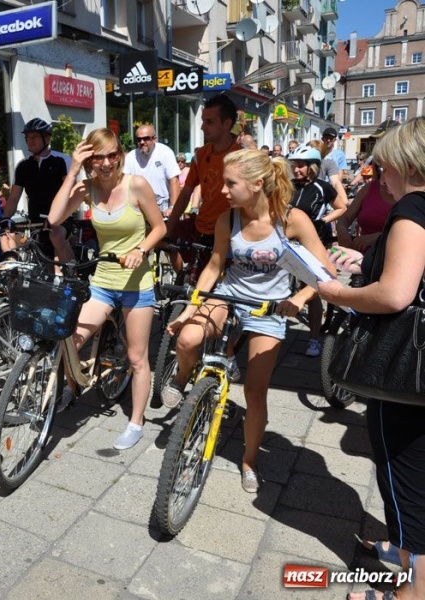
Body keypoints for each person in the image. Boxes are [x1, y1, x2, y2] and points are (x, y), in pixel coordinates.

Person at [163, 149, 334, 493]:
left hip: (269, 308)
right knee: (187, 340)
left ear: (257, 184)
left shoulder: (291, 219)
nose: (222, 191)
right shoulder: (229, 218)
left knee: (256, 393)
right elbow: (214, 266)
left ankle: (249, 461)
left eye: (230, 183)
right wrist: (190, 307)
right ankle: (181, 377)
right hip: (230, 295)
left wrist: (298, 299)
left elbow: (326, 271)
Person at [318, 116, 425, 600]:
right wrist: (368, 260)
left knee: (405, 478)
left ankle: (407, 589)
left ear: (406, 162)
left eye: (383, 165)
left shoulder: (411, 209)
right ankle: (402, 551)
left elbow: (396, 295)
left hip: (407, 374)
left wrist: (338, 292)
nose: (379, 176)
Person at [48, 128, 166, 449]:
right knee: (70, 340)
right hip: (103, 282)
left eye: (112, 155)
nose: (106, 163)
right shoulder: (87, 187)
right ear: (90, 159)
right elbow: (55, 217)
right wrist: (73, 169)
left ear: (120, 155)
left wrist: (140, 251)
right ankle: (70, 390)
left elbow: (160, 228)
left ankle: (136, 422)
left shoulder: (136, 185)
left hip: (136, 284)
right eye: (98, 157)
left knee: (137, 357)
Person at [167, 94, 241, 270]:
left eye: (209, 122)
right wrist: (169, 228)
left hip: (233, 233)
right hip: (202, 229)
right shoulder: (200, 155)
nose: (202, 127)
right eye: (203, 121)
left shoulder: (241, 157)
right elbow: (186, 193)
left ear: (226, 124)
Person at [287, 145, 347, 357]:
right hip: (289, 242)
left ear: (312, 167)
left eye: (301, 166)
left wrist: (324, 221)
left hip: (312, 243)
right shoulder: (289, 186)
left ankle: (314, 339)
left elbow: (342, 206)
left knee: (311, 289)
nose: (296, 170)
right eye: (294, 166)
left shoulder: (322, 187)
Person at [3, 118, 74, 264]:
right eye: (28, 137)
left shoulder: (62, 160)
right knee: (42, 258)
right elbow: (14, 197)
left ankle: (71, 274)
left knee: (56, 236)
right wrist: (6, 218)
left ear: (47, 138)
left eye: (35, 137)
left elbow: (72, 193)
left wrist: (59, 217)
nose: (30, 140)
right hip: (36, 220)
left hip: (61, 218)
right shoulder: (23, 166)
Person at [123, 124, 181, 217]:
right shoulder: (130, 157)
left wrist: (172, 207)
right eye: (138, 139)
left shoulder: (165, 152)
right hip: (139, 211)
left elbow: (174, 180)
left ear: (154, 139)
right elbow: (124, 183)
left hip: (164, 210)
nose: (142, 142)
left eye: (146, 138)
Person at [336, 164, 393, 253]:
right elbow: (345, 218)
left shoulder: (415, 196)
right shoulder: (370, 188)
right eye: (381, 167)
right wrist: (341, 228)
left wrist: (379, 238)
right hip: (362, 257)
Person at [305, 140, 348, 206]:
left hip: (317, 197)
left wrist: (344, 200)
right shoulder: (298, 164)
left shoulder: (327, 162)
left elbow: (336, 182)